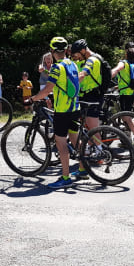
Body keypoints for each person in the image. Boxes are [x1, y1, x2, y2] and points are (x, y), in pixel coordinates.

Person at [29, 37, 80, 189]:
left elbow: (48, 88)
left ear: (52, 51)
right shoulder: (74, 65)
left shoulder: (57, 68)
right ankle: (83, 169)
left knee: (61, 143)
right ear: (66, 50)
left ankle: (65, 177)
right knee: (76, 140)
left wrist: (33, 98)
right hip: (74, 107)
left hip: (62, 110)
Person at [71, 39, 107, 179]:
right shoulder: (86, 59)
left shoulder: (92, 60)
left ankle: (99, 154)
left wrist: (70, 87)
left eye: (76, 55)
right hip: (87, 96)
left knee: (93, 128)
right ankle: (90, 150)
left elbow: (83, 74)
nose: (75, 57)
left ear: (83, 51)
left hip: (93, 96)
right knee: (87, 127)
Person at [111, 46, 134, 143]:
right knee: (125, 116)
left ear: (126, 55)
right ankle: (127, 136)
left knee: (126, 117)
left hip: (125, 93)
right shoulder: (133, 64)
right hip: (131, 92)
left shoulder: (123, 63)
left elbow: (117, 69)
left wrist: (108, 76)